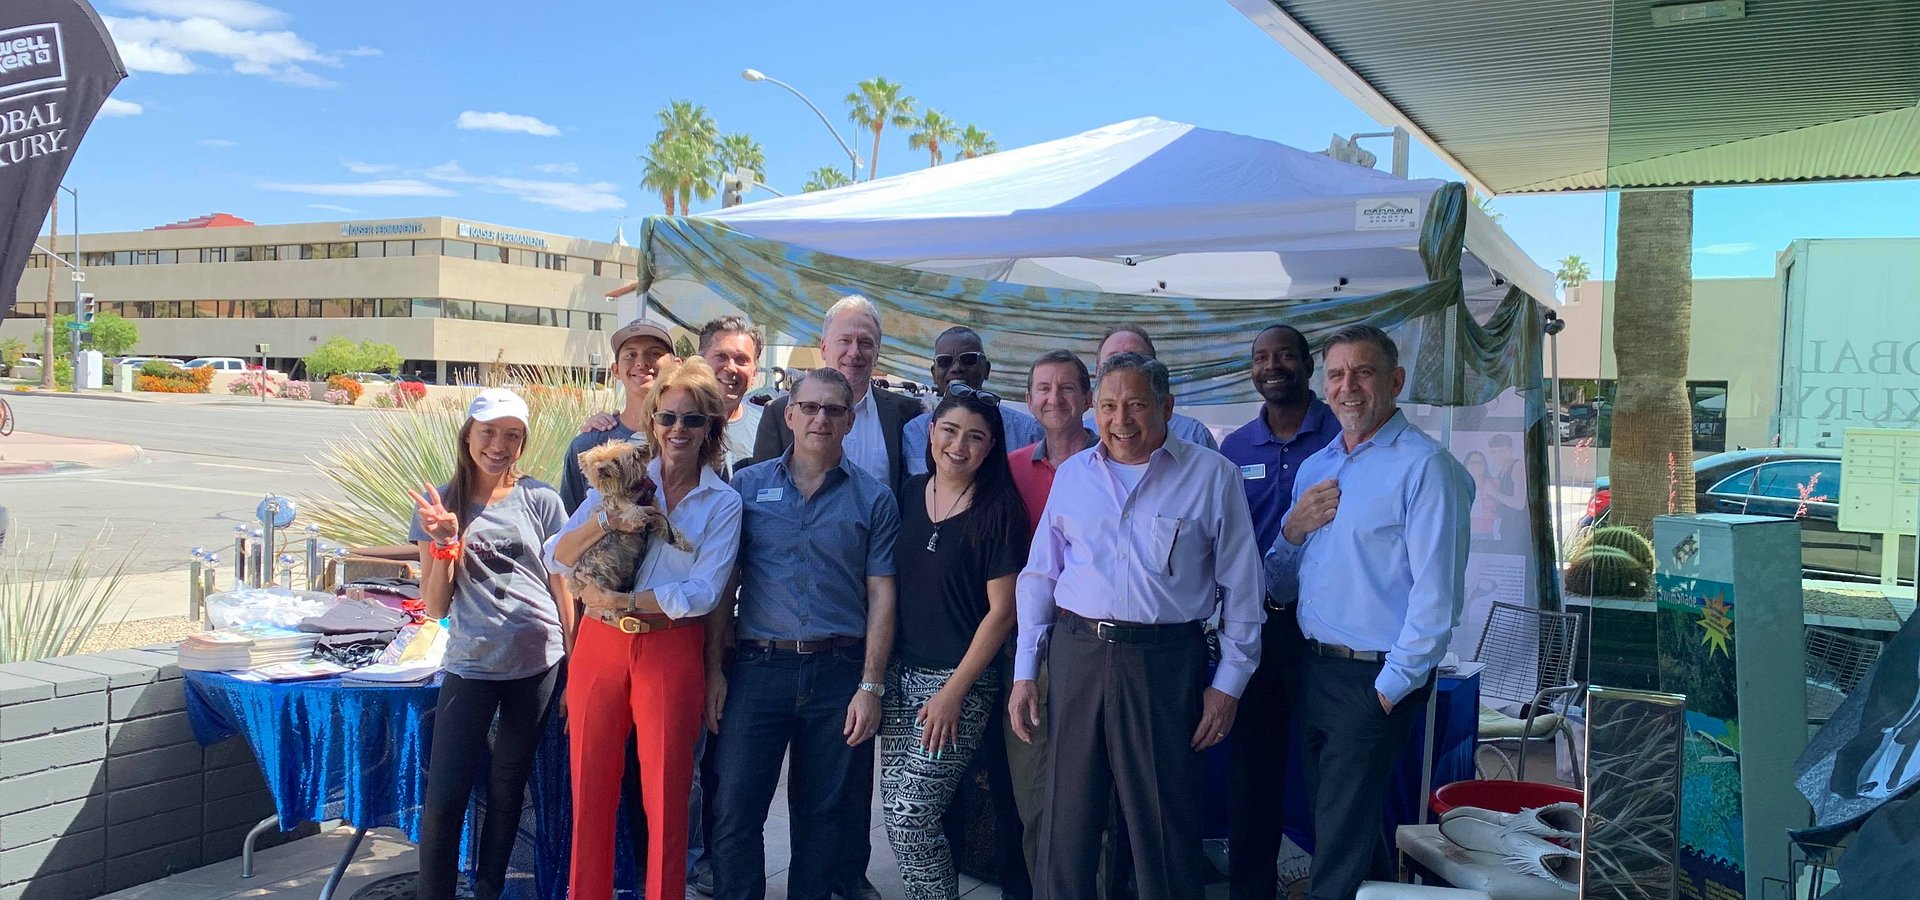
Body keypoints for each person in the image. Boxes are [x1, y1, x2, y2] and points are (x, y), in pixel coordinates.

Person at [1010, 352, 1265, 900]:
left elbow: (1243, 588)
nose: (1120, 420)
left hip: (1163, 662)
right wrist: (1026, 670)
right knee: (1067, 820)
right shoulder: (1074, 474)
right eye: (1107, 406)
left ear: (1167, 407)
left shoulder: (1211, 475)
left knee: (1162, 826)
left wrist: (1228, 685)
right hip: (1077, 653)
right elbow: (1039, 575)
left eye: (1136, 405)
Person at [1263, 324, 1473, 900]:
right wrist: (1291, 530)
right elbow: (1280, 585)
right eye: (1336, 374)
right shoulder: (1317, 467)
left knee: (1336, 843)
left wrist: (1390, 687)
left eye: (1363, 372)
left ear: (1396, 381)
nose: (1347, 386)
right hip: (1313, 669)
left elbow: (1437, 596)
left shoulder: (1426, 468)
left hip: (1373, 678)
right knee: (1345, 825)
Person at [545, 358, 744, 900]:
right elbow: (556, 554)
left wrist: (623, 600)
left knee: (668, 795)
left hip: (669, 647)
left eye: (693, 419)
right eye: (668, 416)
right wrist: (607, 519)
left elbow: (704, 591)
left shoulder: (723, 502)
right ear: (653, 420)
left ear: (711, 427)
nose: (679, 429)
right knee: (590, 788)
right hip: (600, 643)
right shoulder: (625, 476)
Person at [709, 367, 901, 900]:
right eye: (810, 408)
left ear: (849, 421)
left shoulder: (874, 499)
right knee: (735, 808)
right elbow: (725, 585)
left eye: (834, 410)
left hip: (838, 673)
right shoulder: (746, 487)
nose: (821, 419)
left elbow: (883, 596)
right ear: (789, 415)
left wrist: (871, 685)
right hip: (757, 668)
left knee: (823, 818)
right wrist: (713, 671)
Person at [406, 389, 570, 900]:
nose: (499, 446)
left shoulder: (541, 499)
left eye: (512, 436)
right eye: (489, 433)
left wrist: (576, 664)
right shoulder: (439, 505)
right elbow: (435, 604)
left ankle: (488, 890)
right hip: (471, 665)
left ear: (523, 443)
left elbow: (563, 586)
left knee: (508, 787)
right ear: (468, 436)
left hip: (538, 664)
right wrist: (444, 541)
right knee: (446, 796)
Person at [882, 384, 1028, 900]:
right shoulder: (908, 493)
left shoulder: (999, 510)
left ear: (991, 447)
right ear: (930, 433)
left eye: (974, 437)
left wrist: (953, 693)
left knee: (912, 815)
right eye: (949, 431)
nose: (958, 446)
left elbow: (1002, 612)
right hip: (901, 678)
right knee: (898, 816)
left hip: (958, 684)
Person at [1216, 325, 1336, 900]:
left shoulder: (1341, 436)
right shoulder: (1235, 449)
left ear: (1308, 365)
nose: (1272, 365)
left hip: (1323, 631)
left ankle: (1339, 886)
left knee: (1328, 775)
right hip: (1254, 630)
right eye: (1261, 357)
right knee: (1252, 775)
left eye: (1285, 355)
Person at [1001, 349, 1095, 880]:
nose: (1054, 398)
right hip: (1028, 647)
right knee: (1035, 792)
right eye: (1043, 388)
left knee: (1096, 796)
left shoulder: (1114, 462)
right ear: (1029, 398)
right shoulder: (1012, 469)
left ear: (1087, 397)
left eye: (1066, 387)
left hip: (1096, 643)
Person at [753, 295, 923, 494]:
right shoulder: (780, 412)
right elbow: (762, 489)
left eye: (865, 343)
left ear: (877, 354)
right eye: (844, 340)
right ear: (823, 348)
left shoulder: (906, 413)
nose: (854, 352)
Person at [563, 317, 678, 512]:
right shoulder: (587, 445)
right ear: (615, 370)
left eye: (654, 353)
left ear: (676, 365)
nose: (641, 362)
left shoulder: (693, 440)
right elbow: (569, 524)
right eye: (630, 354)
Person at [902, 326, 1043, 477]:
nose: (956, 368)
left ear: (986, 369)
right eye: (944, 361)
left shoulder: (1028, 432)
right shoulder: (915, 432)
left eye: (968, 359)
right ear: (934, 374)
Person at [1085, 324, 1219, 452]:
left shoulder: (1192, 434)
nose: (1124, 370)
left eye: (1135, 359)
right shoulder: (1084, 436)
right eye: (1112, 360)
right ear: (1097, 372)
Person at [700, 315, 768, 471]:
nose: (731, 368)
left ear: (754, 373)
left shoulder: (766, 429)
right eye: (721, 356)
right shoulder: (674, 422)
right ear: (700, 362)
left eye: (741, 359)